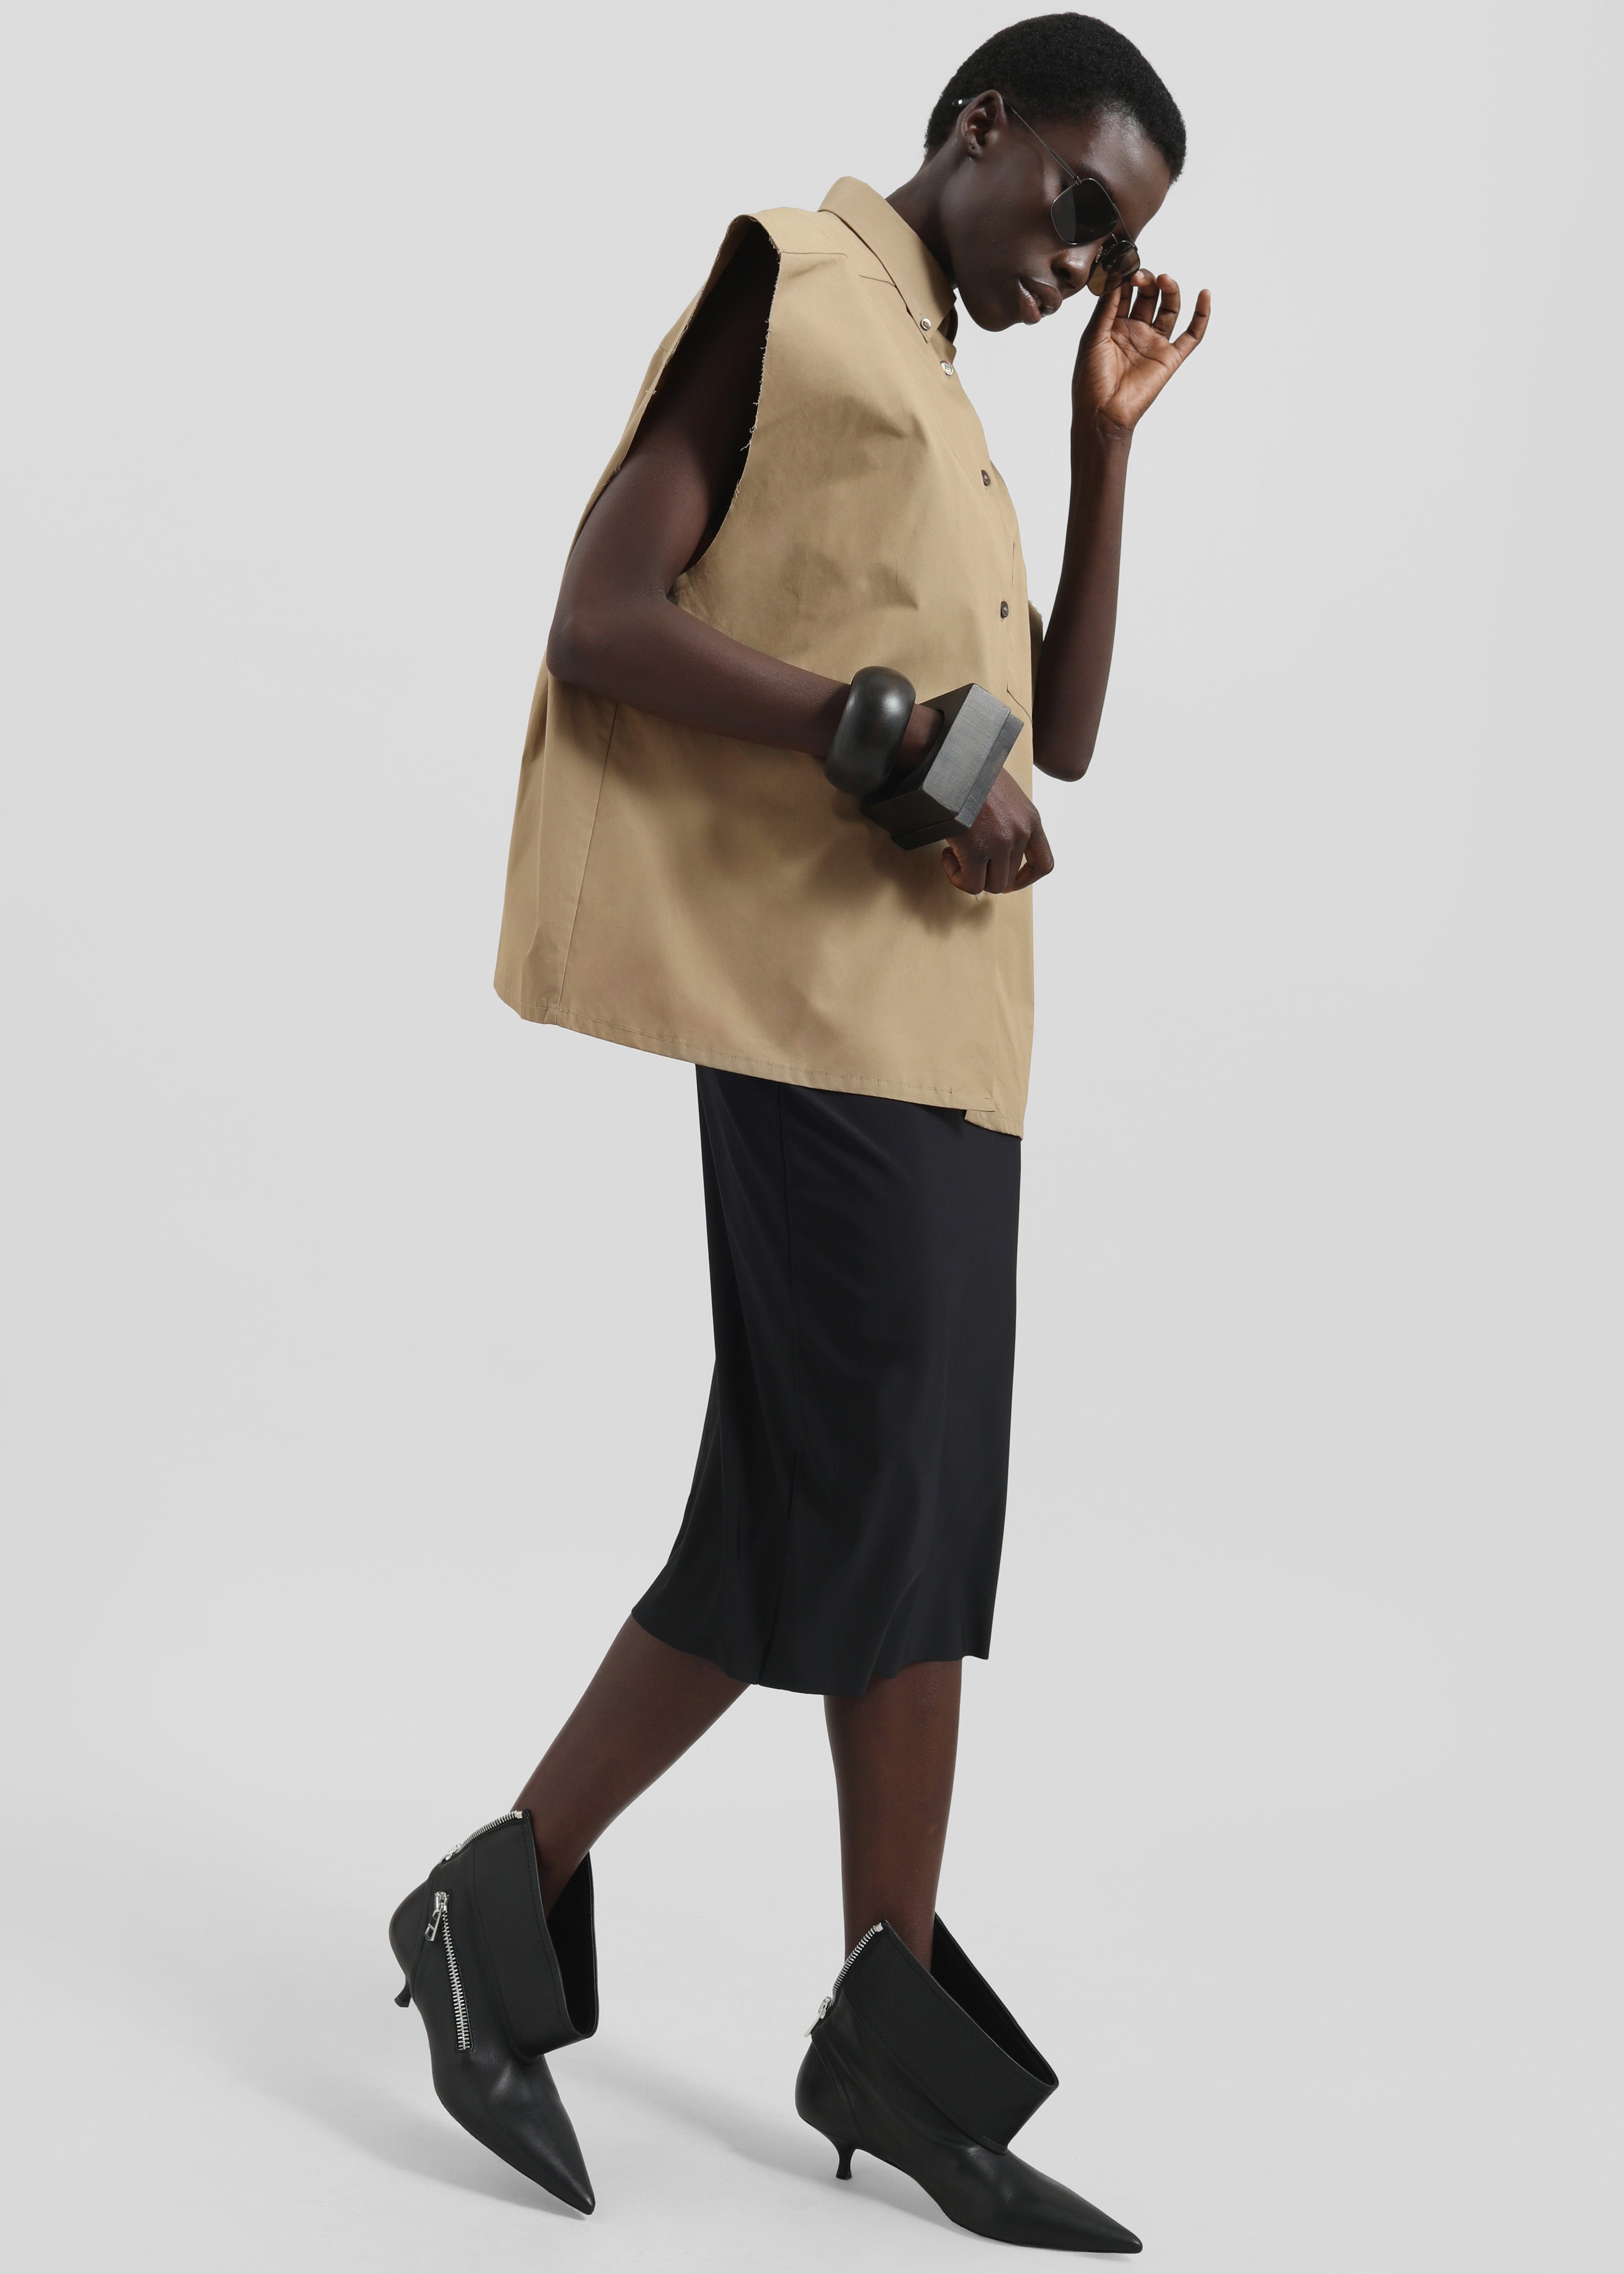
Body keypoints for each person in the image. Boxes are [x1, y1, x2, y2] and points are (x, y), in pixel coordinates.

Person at [389, 12, 1209, 2251]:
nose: (1083, 255)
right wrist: (882, 729)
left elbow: (1064, 734)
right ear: (981, 128)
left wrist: (1102, 440)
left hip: (950, 1041)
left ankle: (853, 2022)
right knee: (828, 1506)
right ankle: (519, 1904)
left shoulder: (954, 397)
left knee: (895, 1518)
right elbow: (601, 614)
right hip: (816, 1026)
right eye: (1076, 202)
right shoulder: (798, 282)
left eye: (1119, 241)